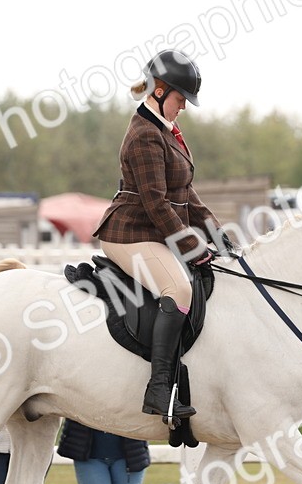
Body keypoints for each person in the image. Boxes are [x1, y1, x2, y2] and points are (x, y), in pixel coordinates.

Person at [92, 48, 229, 420]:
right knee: (179, 289)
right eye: (180, 99)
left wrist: (214, 231)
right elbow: (155, 202)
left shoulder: (164, 131)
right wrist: (189, 243)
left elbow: (184, 193)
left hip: (151, 231)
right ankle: (159, 389)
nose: (183, 107)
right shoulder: (144, 136)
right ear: (159, 92)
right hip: (129, 234)